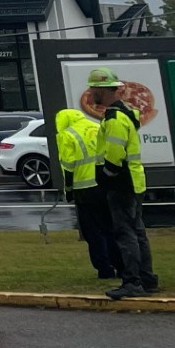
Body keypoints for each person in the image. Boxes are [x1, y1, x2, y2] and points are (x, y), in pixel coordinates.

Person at [88, 68, 159, 298]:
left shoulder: (115, 118)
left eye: (93, 88)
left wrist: (106, 175)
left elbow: (114, 155)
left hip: (121, 183)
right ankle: (146, 279)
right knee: (137, 232)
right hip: (132, 181)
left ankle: (133, 281)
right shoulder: (125, 113)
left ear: (102, 89)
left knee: (125, 233)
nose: (91, 93)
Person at [54, 105, 116, 280]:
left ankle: (104, 269)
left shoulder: (67, 134)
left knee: (92, 232)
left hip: (84, 189)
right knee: (110, 228)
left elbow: (68, 165)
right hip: (104, 184)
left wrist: (68, 190)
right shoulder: (97, 126)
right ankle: (121, 265)